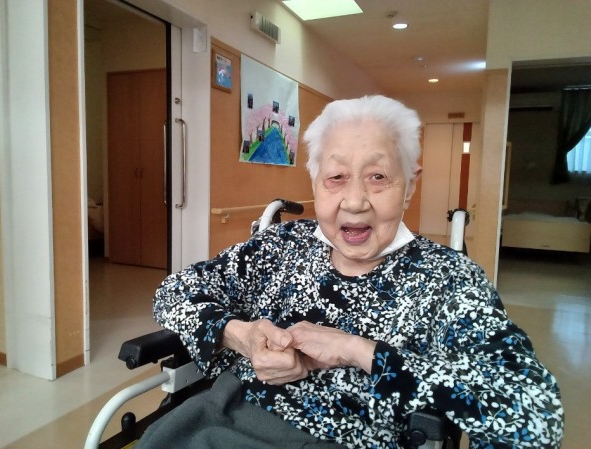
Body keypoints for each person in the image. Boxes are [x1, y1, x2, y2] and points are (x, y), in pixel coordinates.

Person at [140, 95, 564, 449]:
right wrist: (241, 336)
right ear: (315, 183)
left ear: (410, 186)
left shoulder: (448, 279)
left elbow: (534, 413)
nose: (356, 201)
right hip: (223, 417)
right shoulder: (279, 246)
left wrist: (359, 351)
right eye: (336, 177)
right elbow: (174, 291)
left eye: (378, 177)